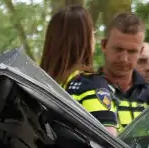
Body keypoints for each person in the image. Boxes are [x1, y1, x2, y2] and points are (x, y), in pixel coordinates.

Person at [40, 5, 119, 135]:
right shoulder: (90, 85)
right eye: (93, 33)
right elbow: (108, 143)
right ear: (85, 40)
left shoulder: (39, 86)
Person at [99, 13, 149, 129]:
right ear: (104, 45)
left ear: (141, 51)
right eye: (118, 49)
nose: (124, 59)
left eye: (132, 51)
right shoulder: (86, 89)